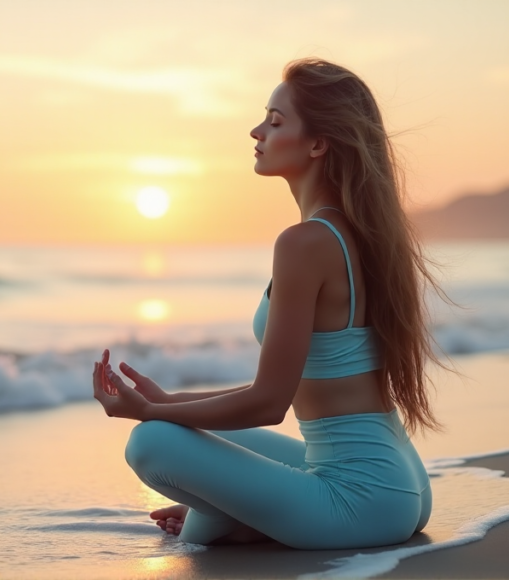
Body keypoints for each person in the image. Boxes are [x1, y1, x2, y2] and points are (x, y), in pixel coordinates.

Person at [91, 58, 444, 550]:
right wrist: (168, 402)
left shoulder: (304, 242)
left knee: (150, 442)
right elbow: (285, 384)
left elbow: (269, 402)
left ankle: (225, 519)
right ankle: (240, 514)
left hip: (360, 501)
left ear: (318, 144)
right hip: (402, 484)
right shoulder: (360, 234)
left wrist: (149, 411)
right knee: (176, 429)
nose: (257, 131)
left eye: (276, 122)